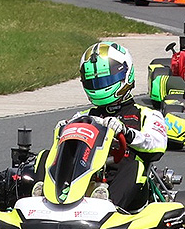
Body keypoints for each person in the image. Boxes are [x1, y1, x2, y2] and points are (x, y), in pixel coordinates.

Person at [67, 42, 168, 211]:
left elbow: (157, 144)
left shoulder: (145, 114)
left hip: (125, 183)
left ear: (125, 74)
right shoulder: (82, 117)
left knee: (134, 167)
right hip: (83, 177)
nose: (100, 85)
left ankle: (109, 206)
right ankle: (42, 199)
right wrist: (64, 130)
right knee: (44, 157)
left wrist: (127, 133)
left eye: (106, 80)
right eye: (94, 82)